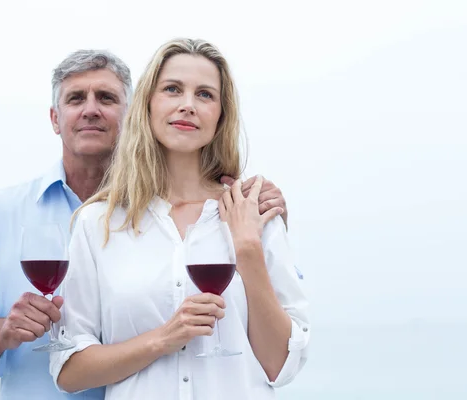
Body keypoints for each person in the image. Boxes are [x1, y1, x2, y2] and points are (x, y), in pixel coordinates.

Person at [0, 49, 292, 400]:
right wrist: (0, 333)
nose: (90, 110)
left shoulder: (244, 210)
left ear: (131, 112)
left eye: (105, 98)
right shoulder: (12, 214)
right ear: (55, 118)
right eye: (75, 99)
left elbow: (282, 352)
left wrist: (256, 241)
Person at [50, 38, 310, 400]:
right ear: (147, 104)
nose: (187, 105)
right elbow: (69, 371)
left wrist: (248, 249)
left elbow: (281, 366)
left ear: (221, 115)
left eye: (205, 95)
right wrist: (164, 339)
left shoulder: (257, 211)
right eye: (172, 89)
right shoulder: (98, 223)